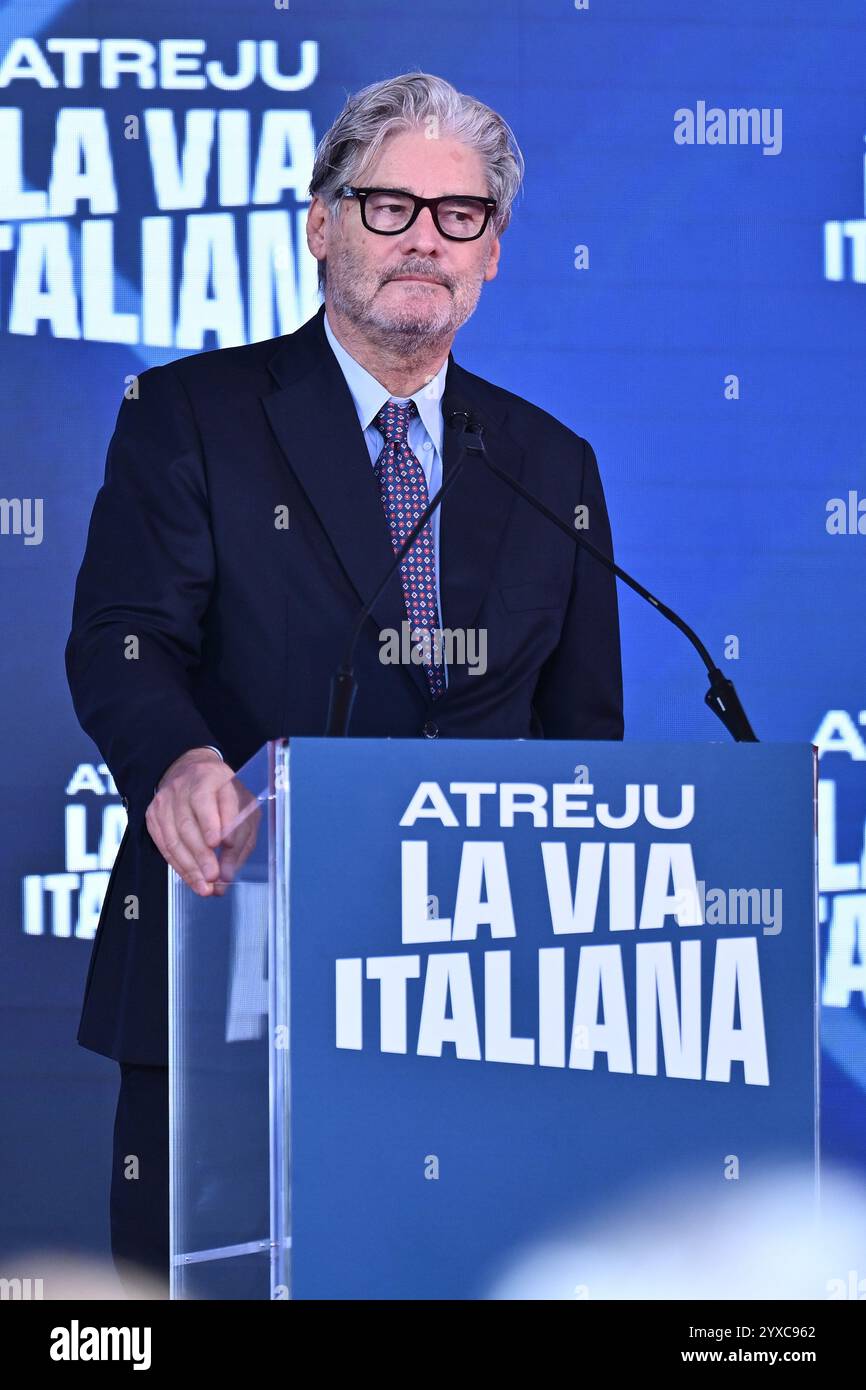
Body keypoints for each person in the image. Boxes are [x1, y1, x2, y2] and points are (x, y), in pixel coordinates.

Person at [65, 70, 624, 1291]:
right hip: (231, 968)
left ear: (492, 254)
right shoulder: (190, 416)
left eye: (459, 215)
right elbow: (122, 635)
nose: (424, 236)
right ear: (321, 226)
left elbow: (584, 745)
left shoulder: (549, 460)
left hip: (467, 1010)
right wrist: (179, 759)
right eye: (387, 206)